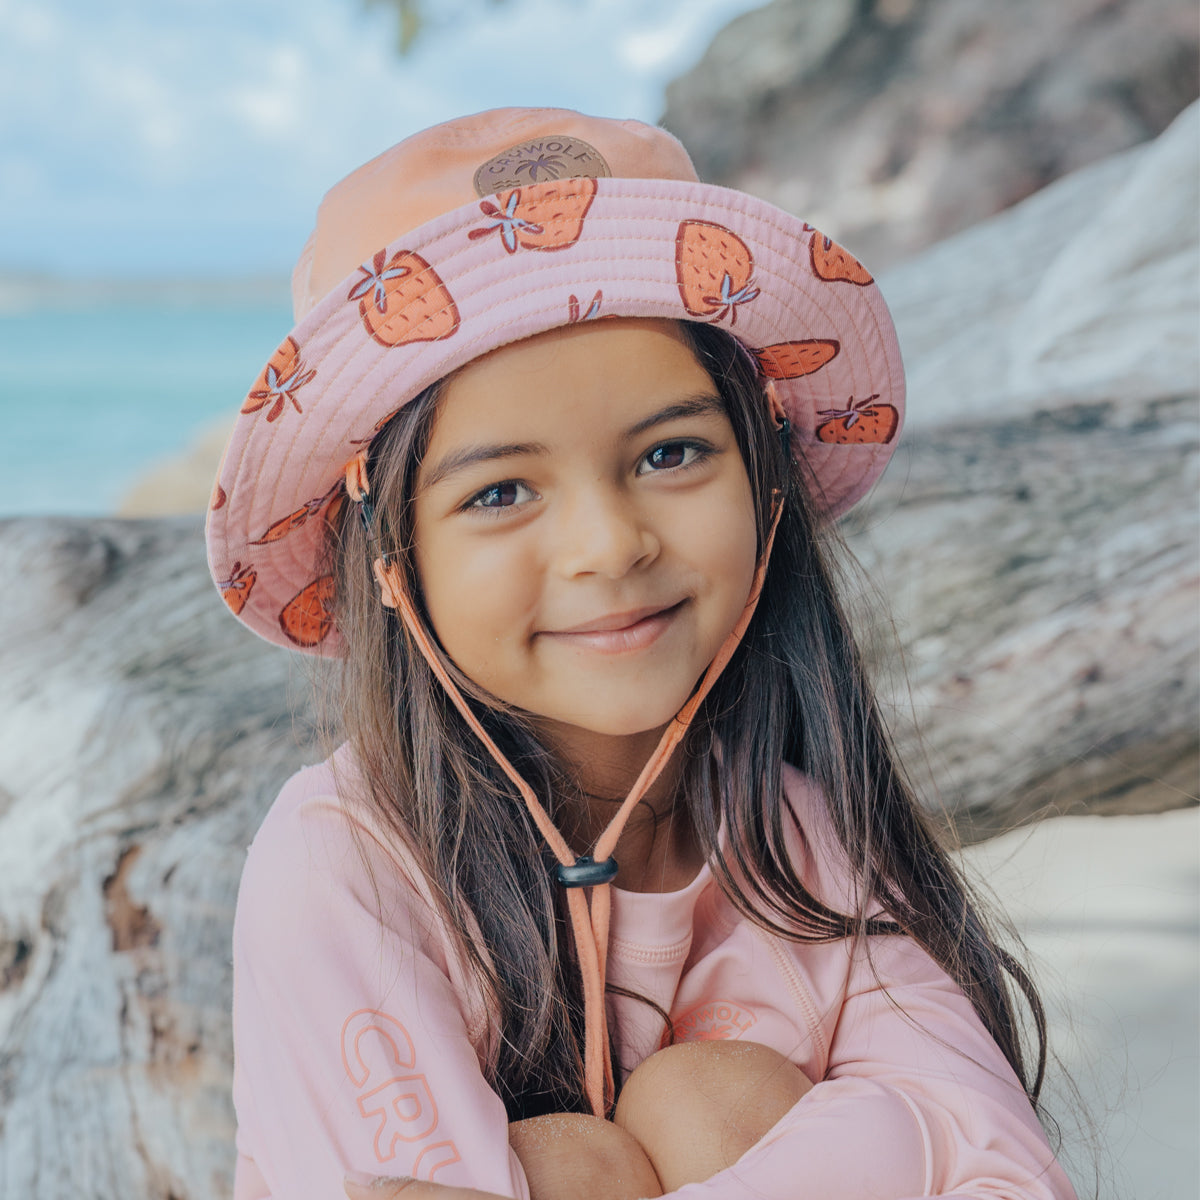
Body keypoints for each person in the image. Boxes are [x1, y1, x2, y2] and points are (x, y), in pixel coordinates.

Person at [207, 108, 1078, 1200]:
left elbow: (1008, 1169)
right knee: (572, 1162)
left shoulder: (797, 836)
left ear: (764, 483)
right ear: (393, 561)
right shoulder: (348, 861)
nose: (611, 546)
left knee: (709, 1101)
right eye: (502, 491)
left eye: (671, 452)